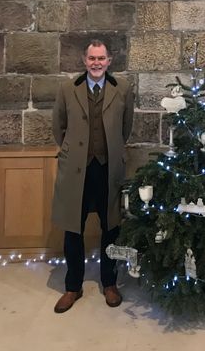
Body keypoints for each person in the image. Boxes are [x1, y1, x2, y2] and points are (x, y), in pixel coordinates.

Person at [51, 40, 134, 313]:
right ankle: (73, 286)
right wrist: (72, 152)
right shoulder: (67, 88)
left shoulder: (122, 88)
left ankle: (109, 283)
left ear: (109, 61)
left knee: (112, 227)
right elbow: (58, 126)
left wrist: (110, 149)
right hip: (77, 169)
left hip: (108, 168)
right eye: (92, 58)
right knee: (73, 228)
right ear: (84, 61)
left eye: (101, 58)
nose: (96, 63)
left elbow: (126, 127)